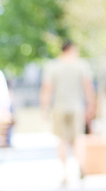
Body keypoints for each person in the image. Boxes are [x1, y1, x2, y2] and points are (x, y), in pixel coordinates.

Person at [39, 40, 96, 183]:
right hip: (77, 108)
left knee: (62, 141)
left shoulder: (52, 66)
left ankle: (65, 174)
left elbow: (47, 88)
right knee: (78, 139)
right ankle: (81, 167)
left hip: (59, 108)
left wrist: (45, 108)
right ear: (72, 49)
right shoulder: (81, 65)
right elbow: (88, 87)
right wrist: (91, 105)